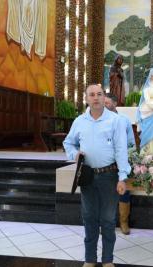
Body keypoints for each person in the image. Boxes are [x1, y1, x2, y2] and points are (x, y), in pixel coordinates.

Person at [63, 84, 131, 267]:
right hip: (86, 176)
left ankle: (107, 260)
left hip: (109, 176)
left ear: (104, 97)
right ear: (86, 99)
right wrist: (73, 155)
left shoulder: (115, 121)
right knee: (89, 217)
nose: (96, 98)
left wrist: (122, 177)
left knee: (108, 219)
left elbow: (121, 149)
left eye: (99, 94)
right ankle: (90, 259)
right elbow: (68, 143)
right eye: (92, 95)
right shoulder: (79, 121)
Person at [104, 93, 135, 235]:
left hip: (121, 162)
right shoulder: (99, 119)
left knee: (124, 191)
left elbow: (131, 142)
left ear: (115, 104)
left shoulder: (124, 120)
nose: (105, 105)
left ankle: (124, 222)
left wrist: (128, 156)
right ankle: (105, 223)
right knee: (105, 193)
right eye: (104, 103)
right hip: (105, 163)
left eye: (107, 103)